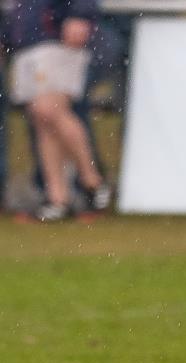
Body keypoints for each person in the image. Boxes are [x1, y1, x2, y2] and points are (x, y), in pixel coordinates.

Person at [3, 0, 111, 222]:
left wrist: (80, 14)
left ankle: (93, 181)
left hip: (55, 38)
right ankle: (57, 198)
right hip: (28, 41)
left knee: (49, 109)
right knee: (41, 119)